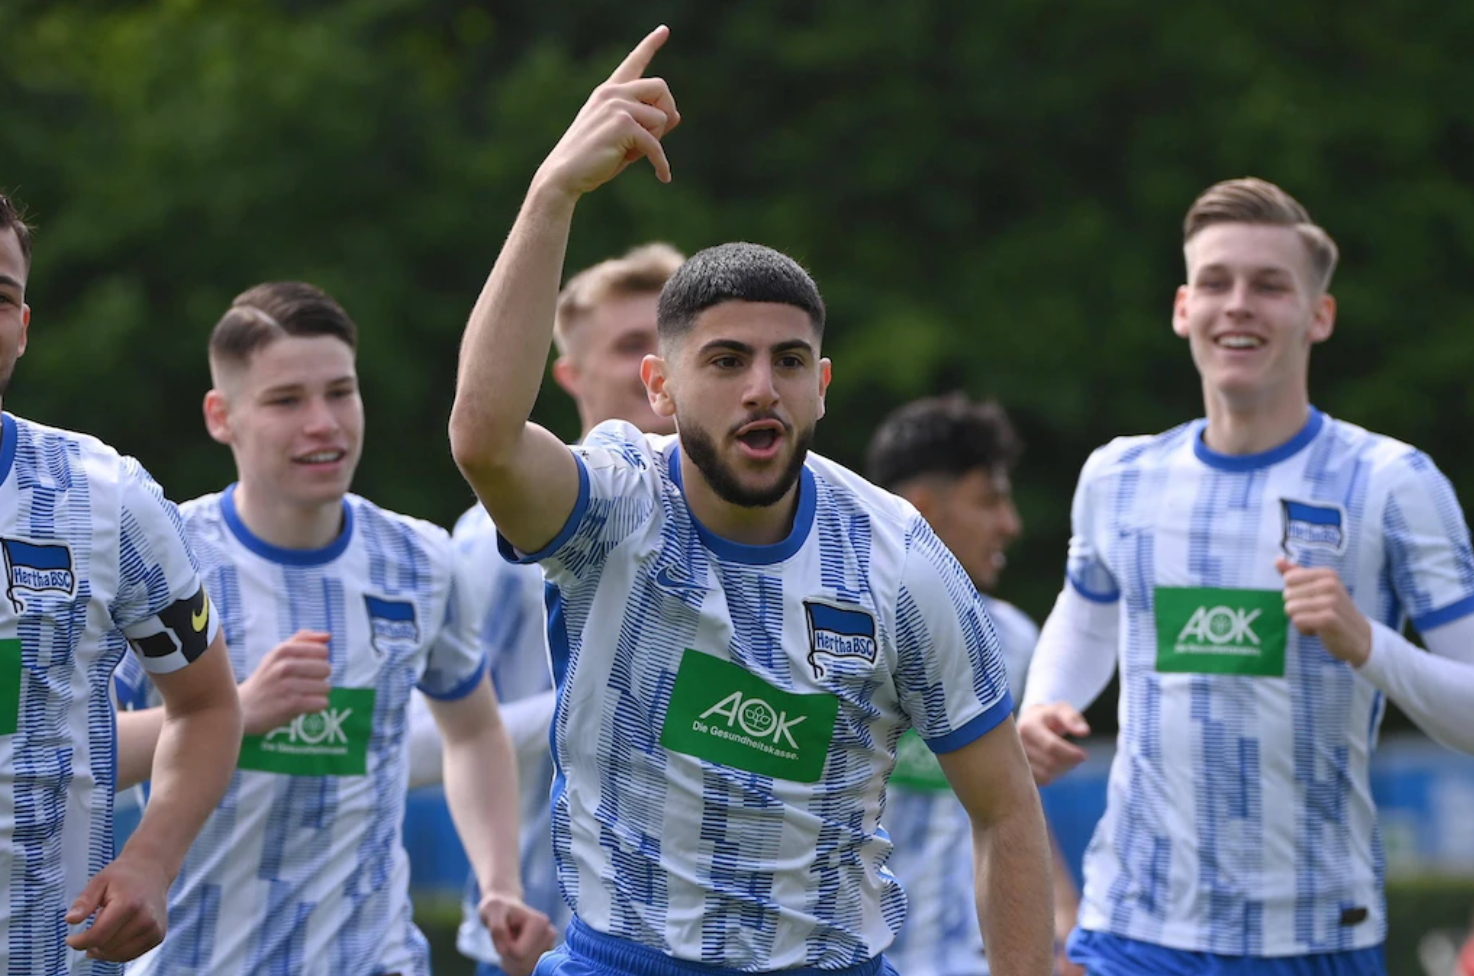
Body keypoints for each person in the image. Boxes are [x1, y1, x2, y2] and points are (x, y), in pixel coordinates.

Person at [447, 26, 1053, 976]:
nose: (760, 387)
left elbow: (1007, 810)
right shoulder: (614, 503)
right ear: (661, 386)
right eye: (725, 362)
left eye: (788, 362)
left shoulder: (897, 555)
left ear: (822, 386)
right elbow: (482, 440)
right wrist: (551, 192)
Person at [1019, 177, 1474, 976]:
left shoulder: (1394, 484)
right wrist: (1045, 704)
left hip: (1314, 935)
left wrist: (1367, 643)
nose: (1240, 305)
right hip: (1132, 925)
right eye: (1218, 282)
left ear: (1318, 316)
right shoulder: (1119, 475)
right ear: (1182, 308)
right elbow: (1088, 615)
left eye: (1270, 286)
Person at [110, 281, 553, 976]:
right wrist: (234, 711)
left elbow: (473, 730)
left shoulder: (420, 559)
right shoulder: (161, 556)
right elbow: (76, 751)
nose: (324, 423)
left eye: (340, 393)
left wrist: (499, 881)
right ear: (221, 417)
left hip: (374, 959)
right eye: (287, 401)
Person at [405, 241, 685, 976]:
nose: (652, 365)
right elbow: (409, 746)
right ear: (568, 372)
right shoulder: (492, 543)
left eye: (670, 342)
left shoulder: (760, 532)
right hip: (533, 939)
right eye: (630, 345)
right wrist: (608, 704)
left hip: (703, 946)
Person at [0, 191, 243, 973]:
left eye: (0, 298)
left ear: (23, 329)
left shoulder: (105, 496)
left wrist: (153, 859)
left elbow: (206, 704)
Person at [864, 393, 1082, 976]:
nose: (1010, 524)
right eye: (989, 501)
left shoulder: (1010, 638)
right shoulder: (834, 625)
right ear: (921, 507)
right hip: (847, 956)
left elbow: (1011, 807)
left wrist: (1063, 914)